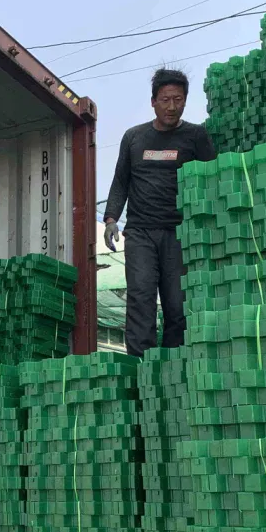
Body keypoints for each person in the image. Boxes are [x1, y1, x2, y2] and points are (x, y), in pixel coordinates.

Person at [103, 68, 217, 357]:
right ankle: (141, 368)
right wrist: (111, 218)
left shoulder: (195, 137)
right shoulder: (134, 138)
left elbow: (213, 179)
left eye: (178, 100)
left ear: (185, 101)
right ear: (153, 101)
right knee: (140, 298)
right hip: (140, 233)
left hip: (179, 233)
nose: (171, 106)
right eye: (165, 99)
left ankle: (173, 367)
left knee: (177, 305)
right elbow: (121, 181)